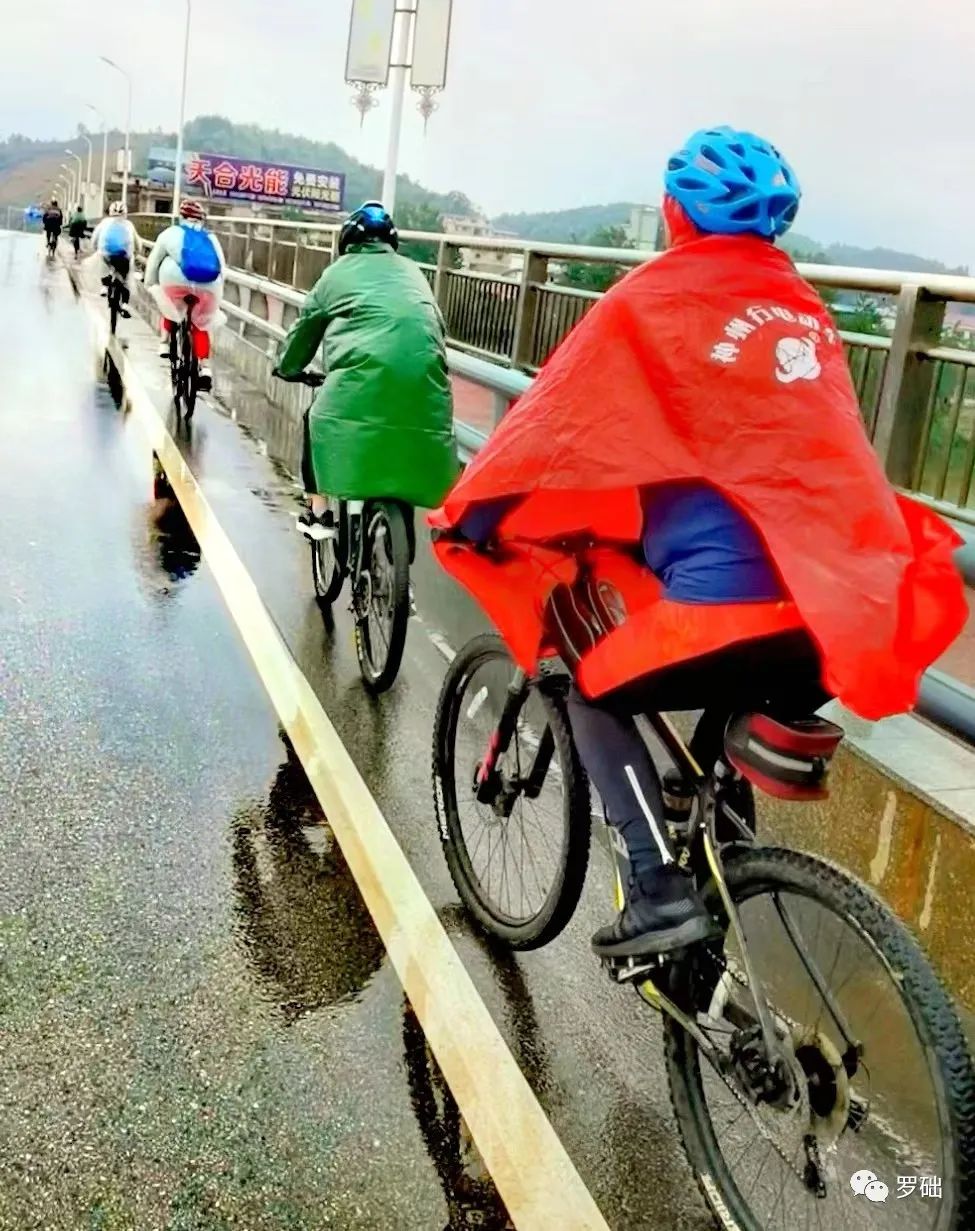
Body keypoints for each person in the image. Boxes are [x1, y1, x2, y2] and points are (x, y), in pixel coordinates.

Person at [430, 126, 966, 960]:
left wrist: (475, 516)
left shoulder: (648, 301)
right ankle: (715, 867)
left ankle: (656, 890)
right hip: (840, 615)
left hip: (731, 612)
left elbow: (552, 425)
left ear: (672, 211)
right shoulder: (804, 310)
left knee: (592, 689)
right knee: (727, 703)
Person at [273, 201, 458, 541]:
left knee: (315, 419)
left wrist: (287, 367)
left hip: (360, 381)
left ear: (347, 242)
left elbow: (305, 329)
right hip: (427, 382)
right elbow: (436, 327)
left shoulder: (337, 273)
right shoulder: (413, 272)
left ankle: (319, 515)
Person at [143, 198, 226, 392]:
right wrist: (216, 293)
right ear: (201, 219)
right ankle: (205, 368)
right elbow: (222, 268)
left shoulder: (170, 233)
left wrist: (150, 284)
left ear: (181, 216)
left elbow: (154, 262)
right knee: (201, 325)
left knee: (169, 306)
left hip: (175, 284)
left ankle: (164, 343)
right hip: (209, 287)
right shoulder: (211, 238)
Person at [90, 201, 137, 319]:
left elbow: (94, 240)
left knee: (102, 263)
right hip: (124, 257)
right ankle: (125, 304)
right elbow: (138, 244)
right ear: (125, 213)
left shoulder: (104, 223)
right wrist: (136, 252)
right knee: (126, 280)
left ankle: (105, 286)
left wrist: (96, 249)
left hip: (106, 255)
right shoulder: (129, 225)